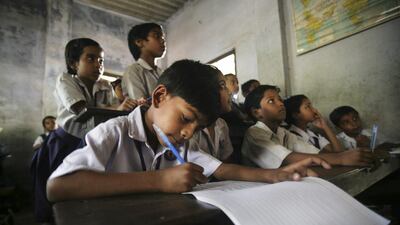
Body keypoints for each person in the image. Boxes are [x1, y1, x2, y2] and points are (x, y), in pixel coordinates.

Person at [46, 60, 330, 202]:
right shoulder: (115, 133)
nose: (188, 132)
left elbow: (221, 169)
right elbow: (57, 187)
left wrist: (274, 175)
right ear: (159, 97)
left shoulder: (180, 142)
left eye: (200, 126)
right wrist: (157, 181)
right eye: (185, 118)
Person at [31, 38, 137, 223]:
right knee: (61, 191)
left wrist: (125, 107)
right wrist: (119, 109)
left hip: (92, 142)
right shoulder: (65, 80)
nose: (98, 64)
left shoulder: (104, 85)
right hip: (65, 143)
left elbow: (113, 113)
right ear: (74, 63)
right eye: (91, 59)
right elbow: (82, 110)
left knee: (88, 189)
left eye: (101, 60)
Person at [241, 85, 379, 169]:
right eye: (271, 101)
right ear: (256, 112)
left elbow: (316, 154)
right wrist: (341, 159)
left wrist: (344, 156)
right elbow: (286, 158)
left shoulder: (283, 133)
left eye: (280, 99)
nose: (281, 104)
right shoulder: (254, 133)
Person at [189, 70, 233, 162]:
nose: (229, 92)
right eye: (222, 85)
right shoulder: (190, 130)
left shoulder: (221, 124)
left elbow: (227, 160)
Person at [122, 23, 165, 99]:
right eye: (157, 36)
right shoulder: (133, 71)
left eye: (162, 37)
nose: (162, 40)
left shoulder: (163, 73)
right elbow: (140, 105)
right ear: (139, 42)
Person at [329, 106, 400, 150]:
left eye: (355, 119)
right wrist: (363, 147)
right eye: (346, 122)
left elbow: (391, 144)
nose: (354, 124)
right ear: (338, 127)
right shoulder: (337, 141)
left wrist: (372, 145)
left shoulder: (370, 132)